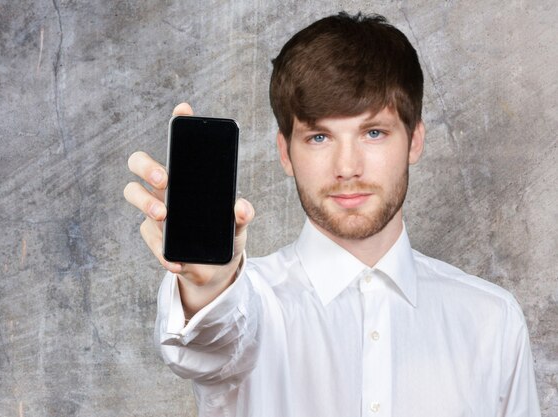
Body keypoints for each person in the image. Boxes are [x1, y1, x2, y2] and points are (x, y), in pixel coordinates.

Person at [124, 12, 541, 417]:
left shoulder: (492, 321)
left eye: (373, 132)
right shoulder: (252, 308)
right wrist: (205, 285)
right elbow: (209, 342)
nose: (347, 166)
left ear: (414, 141)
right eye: (319, 136)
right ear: (286, 152)